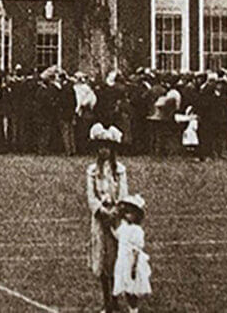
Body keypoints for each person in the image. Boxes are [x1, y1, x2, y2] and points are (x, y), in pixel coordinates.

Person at [87, 123, 128, 313]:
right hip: (100, 219)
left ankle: (116, 298)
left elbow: (123, 194)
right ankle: (107, 302)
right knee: (101, 260)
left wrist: (116, 212)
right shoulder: (92, 171)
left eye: (107, 147)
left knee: (115, 260)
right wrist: (102, 211)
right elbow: (91, 196)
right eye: (100, 147)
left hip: (116, 219)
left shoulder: (119, 170)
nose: (104, 151)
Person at [112, 194, 152, 313]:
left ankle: (133, 310)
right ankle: (130, 308)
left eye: (130, 213)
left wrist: (134, 267)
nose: (127, 215)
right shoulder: (124, 227)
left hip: (131, 263)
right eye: (126, 212)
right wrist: (109, 227)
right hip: (123, 261)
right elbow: (118, 236)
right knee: (125, 288)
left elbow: (136, 250)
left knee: (132, 289)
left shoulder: (137, 230)